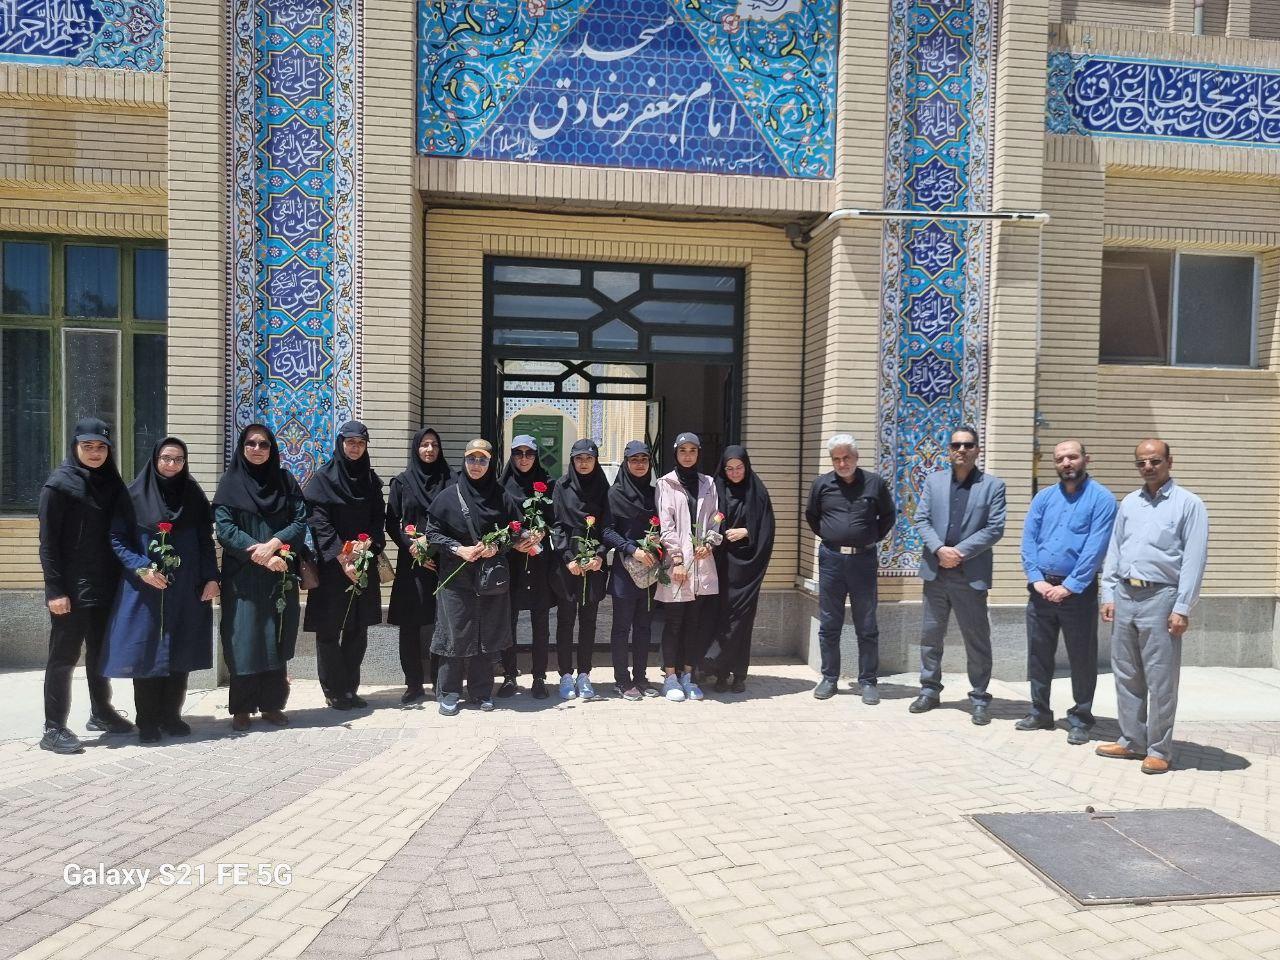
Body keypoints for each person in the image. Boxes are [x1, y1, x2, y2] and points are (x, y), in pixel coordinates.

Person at [1096, 439, 1208, 775]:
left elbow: (1194, 560)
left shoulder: (1189, 504)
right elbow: (1115, 549)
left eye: (1155, 461)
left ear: (1169, 462)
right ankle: (1132, 740)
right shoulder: (1130, 503)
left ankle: (1159, 749)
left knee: (1160, 679)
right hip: (1125, 594)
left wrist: (1183, 606)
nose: (1148, 467)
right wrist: (1108, 593)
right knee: (1126, 673)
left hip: (1161, 598)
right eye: (1141, 462)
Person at [102, 437, 219, 743]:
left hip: (186, 587)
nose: (171, 464)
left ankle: (171, 716)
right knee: (146, 653)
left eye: (178, 459)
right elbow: (117, 538)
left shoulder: (193, 495)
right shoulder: (133, 495)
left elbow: (205, 540)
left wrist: (211, 577)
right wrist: (142, 567)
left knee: (180, 650)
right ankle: (148, 721)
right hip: (146, 589)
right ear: (155, 460)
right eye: (166, 458)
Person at [37, 417, 134, 753]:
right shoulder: (58, 486)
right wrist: (55, 591)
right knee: (63, 657)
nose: (95, 453)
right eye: (87, 446)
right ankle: (53, 728)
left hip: (105, 585)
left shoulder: (112, 483)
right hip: (71, 589)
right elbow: (48, 545)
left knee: (100, 653)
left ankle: (101, 711)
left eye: (101, 447)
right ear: (75, 447)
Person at [1018, 439, 1117, 745]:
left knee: (1081, 658)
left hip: (1078, 593)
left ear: (1086, 459)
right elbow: (1029, 540)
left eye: (1072, 457)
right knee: (1038, 655)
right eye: (1060, 458)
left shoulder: (1102, 499)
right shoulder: (1044, 497)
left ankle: (1081, 718)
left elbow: (1096, 548)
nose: (1066, 463)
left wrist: (1069, 586)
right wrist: (1036, 579)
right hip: (1041, 590)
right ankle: (1040, 711)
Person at [214, 424, 309, 731]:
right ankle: (241, 708)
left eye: (264, 444)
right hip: (243, 575)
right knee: (242, 638)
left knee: (274, 636)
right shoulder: (230, 483)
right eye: (251, 443)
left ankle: (271, 704)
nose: (257, 449)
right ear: (242, 447)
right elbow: (225, 529)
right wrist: (262, 554)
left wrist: (275, 544)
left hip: (279, 573)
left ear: (272, 449)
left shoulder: (285, 481)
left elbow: (300, 521)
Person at [910, 425, 1007, 725]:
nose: (961, 450)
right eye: (956, 445)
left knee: (976, 639)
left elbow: (994, 528)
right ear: (949, 450)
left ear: (978, 449)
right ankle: (929, 690)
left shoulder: (993, 486)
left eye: (967, 445)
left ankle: (979, 697)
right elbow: (921, 518)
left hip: (969, 575)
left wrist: (959, 552)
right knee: (930, 636)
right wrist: (940, 549)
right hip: (936, 573)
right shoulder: (934, 481)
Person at [425, 438, 525, 715]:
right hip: (456, 580)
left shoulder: (501, 496)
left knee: (486, 633)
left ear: (490, 463)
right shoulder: (448, 496)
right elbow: (432, 533)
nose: (476, 465)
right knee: (455, 633)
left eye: (482, 460)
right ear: (464, 460)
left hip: (489, 579)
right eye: (472, 459)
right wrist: (458, 549)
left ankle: (481, 692)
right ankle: (449, 692)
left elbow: (515, 530)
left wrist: (497, 547)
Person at [804, 435, 895, 703]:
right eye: (836, 459)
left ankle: (868, 681)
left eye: (846, 458)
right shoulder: (822, 485)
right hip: (831, 560)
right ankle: (829, 678)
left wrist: (868, 537)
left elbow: (888, 516)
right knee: (829, 622)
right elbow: (812, 516)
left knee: (866, 623)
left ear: (856, 457)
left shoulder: (874, 484)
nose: (842, 463)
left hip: (863, 561)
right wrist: (832, 536)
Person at [303, 421, 385, 711]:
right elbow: (319, 523)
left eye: (360, 443)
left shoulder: (370, 481)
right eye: (350, 442)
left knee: (357, 629)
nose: (355, 448)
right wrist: (342, 557)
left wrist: (368, 544)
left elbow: (378, 518)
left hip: (362, 564)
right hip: (332, 568)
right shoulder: (323, 480)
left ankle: (350, 688)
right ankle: (333, 690)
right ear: (340, 444)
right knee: (329, 630)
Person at [386, 427, 451, 704]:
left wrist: (431, 543)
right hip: (411, 561)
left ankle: (440, 681)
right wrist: (411, 546)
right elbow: (392, 521)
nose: (429, 450)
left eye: (434, 444)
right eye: (424, 444)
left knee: (441, 622)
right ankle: (413, 683)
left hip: (441, 561)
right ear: (416, 448)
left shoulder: (450, 481)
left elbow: (454, 519)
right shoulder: (402, 482)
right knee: (410, 625)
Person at [654, 432, 720, 702]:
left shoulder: (709, 483)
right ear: (675, 453)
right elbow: (666, 524)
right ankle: (670, 677)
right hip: (678, 564)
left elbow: (715, 519)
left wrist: (710, 542)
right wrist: (678, 559)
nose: (688, 455)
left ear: (698, 453)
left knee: (694, 623)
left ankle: (688, 676)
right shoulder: (665, 483)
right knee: (674, 622)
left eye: (693, 450)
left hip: (701, 562)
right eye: (683, 450)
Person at [711, 445, 776, 694]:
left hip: (748, 569)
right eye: (729, 468)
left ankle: (739, 674)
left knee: (742, 621)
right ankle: (720, 673)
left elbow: (767, 527)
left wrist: (746, 531)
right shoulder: (717, 490)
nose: (735, 473)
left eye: (739, 468)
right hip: (721, 566)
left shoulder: (757, 492)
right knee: (720, 619)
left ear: (746, 467)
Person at [550, 438, 610, 701]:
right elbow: (556, 525)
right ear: (572, 461)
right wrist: (568, 558)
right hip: (569, 564)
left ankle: (584, 674)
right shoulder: (561, 487)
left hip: (594, 564)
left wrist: (600, 555)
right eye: (579, 458)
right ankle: (565, 674)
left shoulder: (604, 488)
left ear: (595, 461)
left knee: (589, 621)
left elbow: (608, 526)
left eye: (589, 458)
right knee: (565, 620)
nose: (584, 463)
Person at [497, 435, 554, 699]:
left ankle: (539, 676)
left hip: (539, 563)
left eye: (529, 453)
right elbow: (495, 521)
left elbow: (555, 519)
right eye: (518, 453)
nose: (523, 458)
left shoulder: (547, 485)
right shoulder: (501, 487)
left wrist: (543, 532)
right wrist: (513, 542)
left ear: (536, 456)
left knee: (540, 622)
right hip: (512, 562)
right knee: (508, 621)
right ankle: (509, 675)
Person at [603, 440, 661, 701]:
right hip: (625, 572)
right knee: (621, 628)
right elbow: (607, 530)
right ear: (626, 464)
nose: (639, 464)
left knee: (644, 627)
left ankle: (640, 677)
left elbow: (665, 527)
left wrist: (658, 543)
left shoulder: (655, 495)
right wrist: (631, 549)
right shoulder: (614, 494)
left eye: (644, 460)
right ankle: (622, 680)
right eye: (634, 460)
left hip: (649, 570)